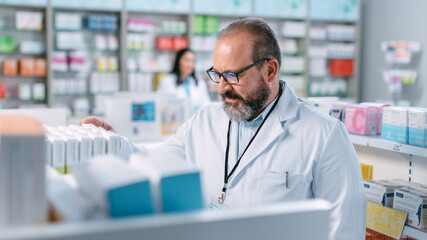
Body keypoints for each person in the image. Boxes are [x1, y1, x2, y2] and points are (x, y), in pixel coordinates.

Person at [83, 18, 366, 239]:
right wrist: (115, 142)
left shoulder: (324, 135)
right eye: (217, 74)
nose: (221, 87)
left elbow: (344, 230)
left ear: (270, 70)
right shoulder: (204, 120)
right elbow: (158, 159)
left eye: (232, 75)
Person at [157, 48, 211, 113]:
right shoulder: (166, 82)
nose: (190, 65)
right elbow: (161, 106)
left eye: (193, 61)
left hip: (197, 121)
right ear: (178, 61)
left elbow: (207, 104)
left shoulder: (200, 83)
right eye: (187, 60)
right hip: (176, 121)